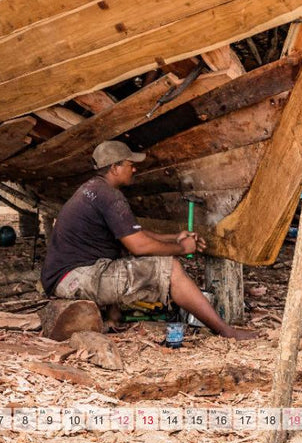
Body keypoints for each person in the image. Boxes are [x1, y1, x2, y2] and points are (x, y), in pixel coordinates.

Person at [40, 140, 257, 340]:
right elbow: (139, 245)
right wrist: (181, 248)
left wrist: (175, 236)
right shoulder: (110, 196)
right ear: (114, 168)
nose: (134, 168)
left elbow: (134, 233)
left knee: (124, 256)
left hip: (66, 277)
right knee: (171, 268)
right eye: (129, 164)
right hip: (75, 279)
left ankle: (113, 318)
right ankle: (226, 331)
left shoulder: (93, 189)